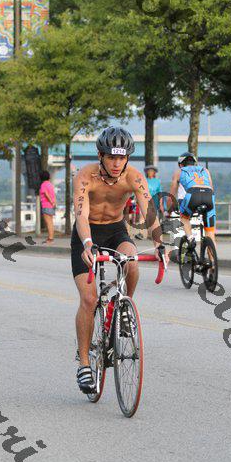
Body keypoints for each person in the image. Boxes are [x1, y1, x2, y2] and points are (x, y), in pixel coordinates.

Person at [71, 126, 165, 394]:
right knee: (89, 299)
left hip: (115, 230)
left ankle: (123, 308)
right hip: (86, 233)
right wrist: (87, 244)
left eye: (121, 158)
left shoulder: (133, 177)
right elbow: (81, 214)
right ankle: (84, 363)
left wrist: (159, 243)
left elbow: (148, 211)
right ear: (100, 156)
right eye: (111, 157)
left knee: (131, 260)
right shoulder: (85, 176)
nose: (116, 163)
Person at [169, 151, 216, 248]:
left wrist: (168, 209)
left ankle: (190, 239)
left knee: (184, 218)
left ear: (181, 164)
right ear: (194, 163)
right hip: (209, 196)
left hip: (193, 194)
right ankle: (213, 256)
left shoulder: (179, 172)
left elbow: (172, 195)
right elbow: (212, 187)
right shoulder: (205, 170)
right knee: (210, 235)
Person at [39, 170, 56, 244]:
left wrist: (51, 201)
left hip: (46, 205)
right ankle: (51, 238)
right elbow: (53, 194)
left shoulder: (43, 184)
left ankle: (50, 239)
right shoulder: (50, 184)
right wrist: (54, 202)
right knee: (51, 222)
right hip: (51, 206)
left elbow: (46, 194)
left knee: (48, 223)